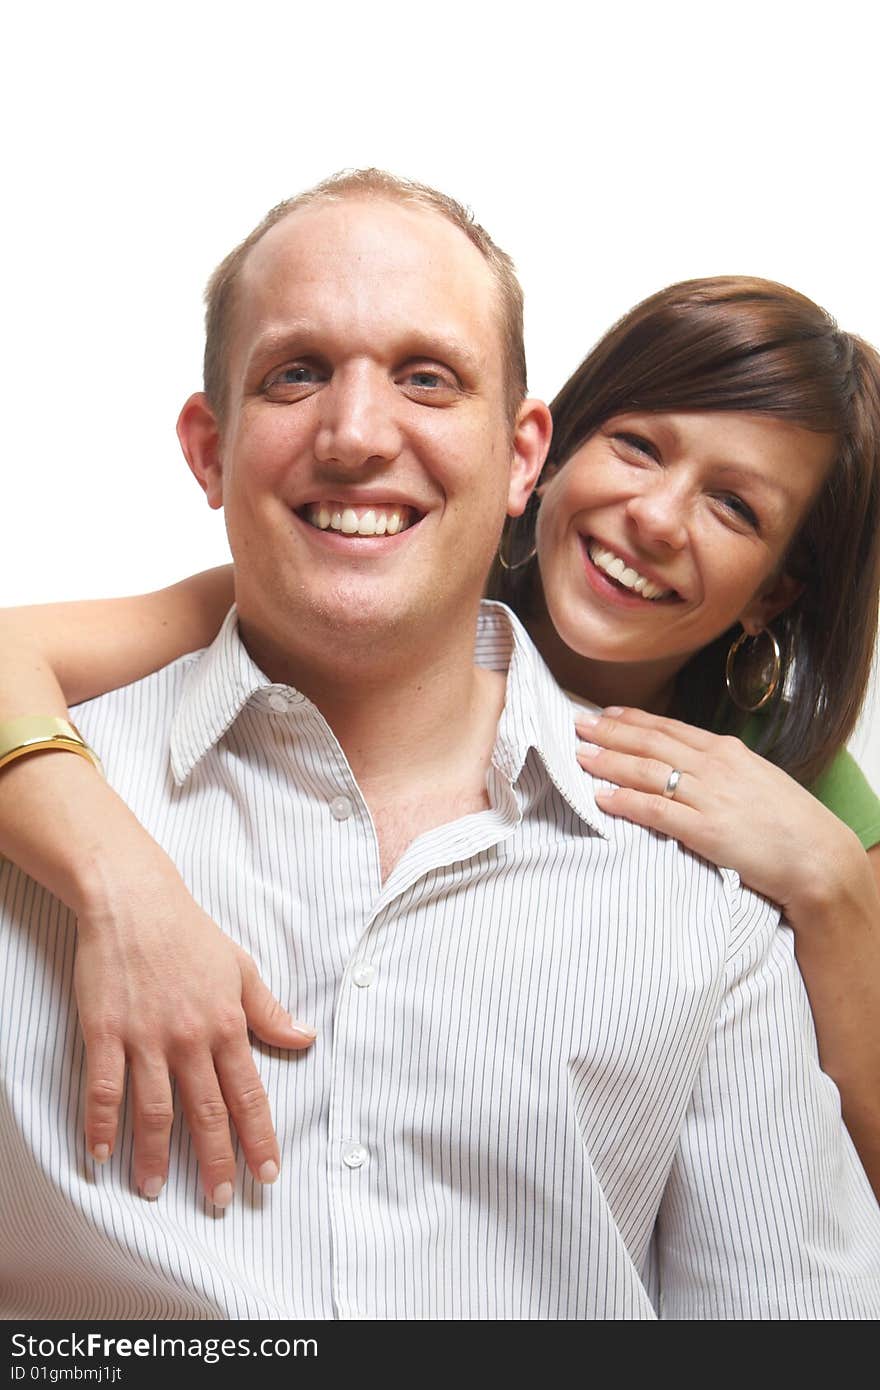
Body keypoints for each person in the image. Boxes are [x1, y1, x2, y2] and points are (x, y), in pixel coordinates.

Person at [1, 171, 878, 1319]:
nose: (358, 437)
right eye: (298, 373)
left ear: (514, 450)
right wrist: (122, 883)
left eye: (734, 508)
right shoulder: (291, 592)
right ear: (551, 464)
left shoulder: (751, 854)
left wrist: (825, 890)